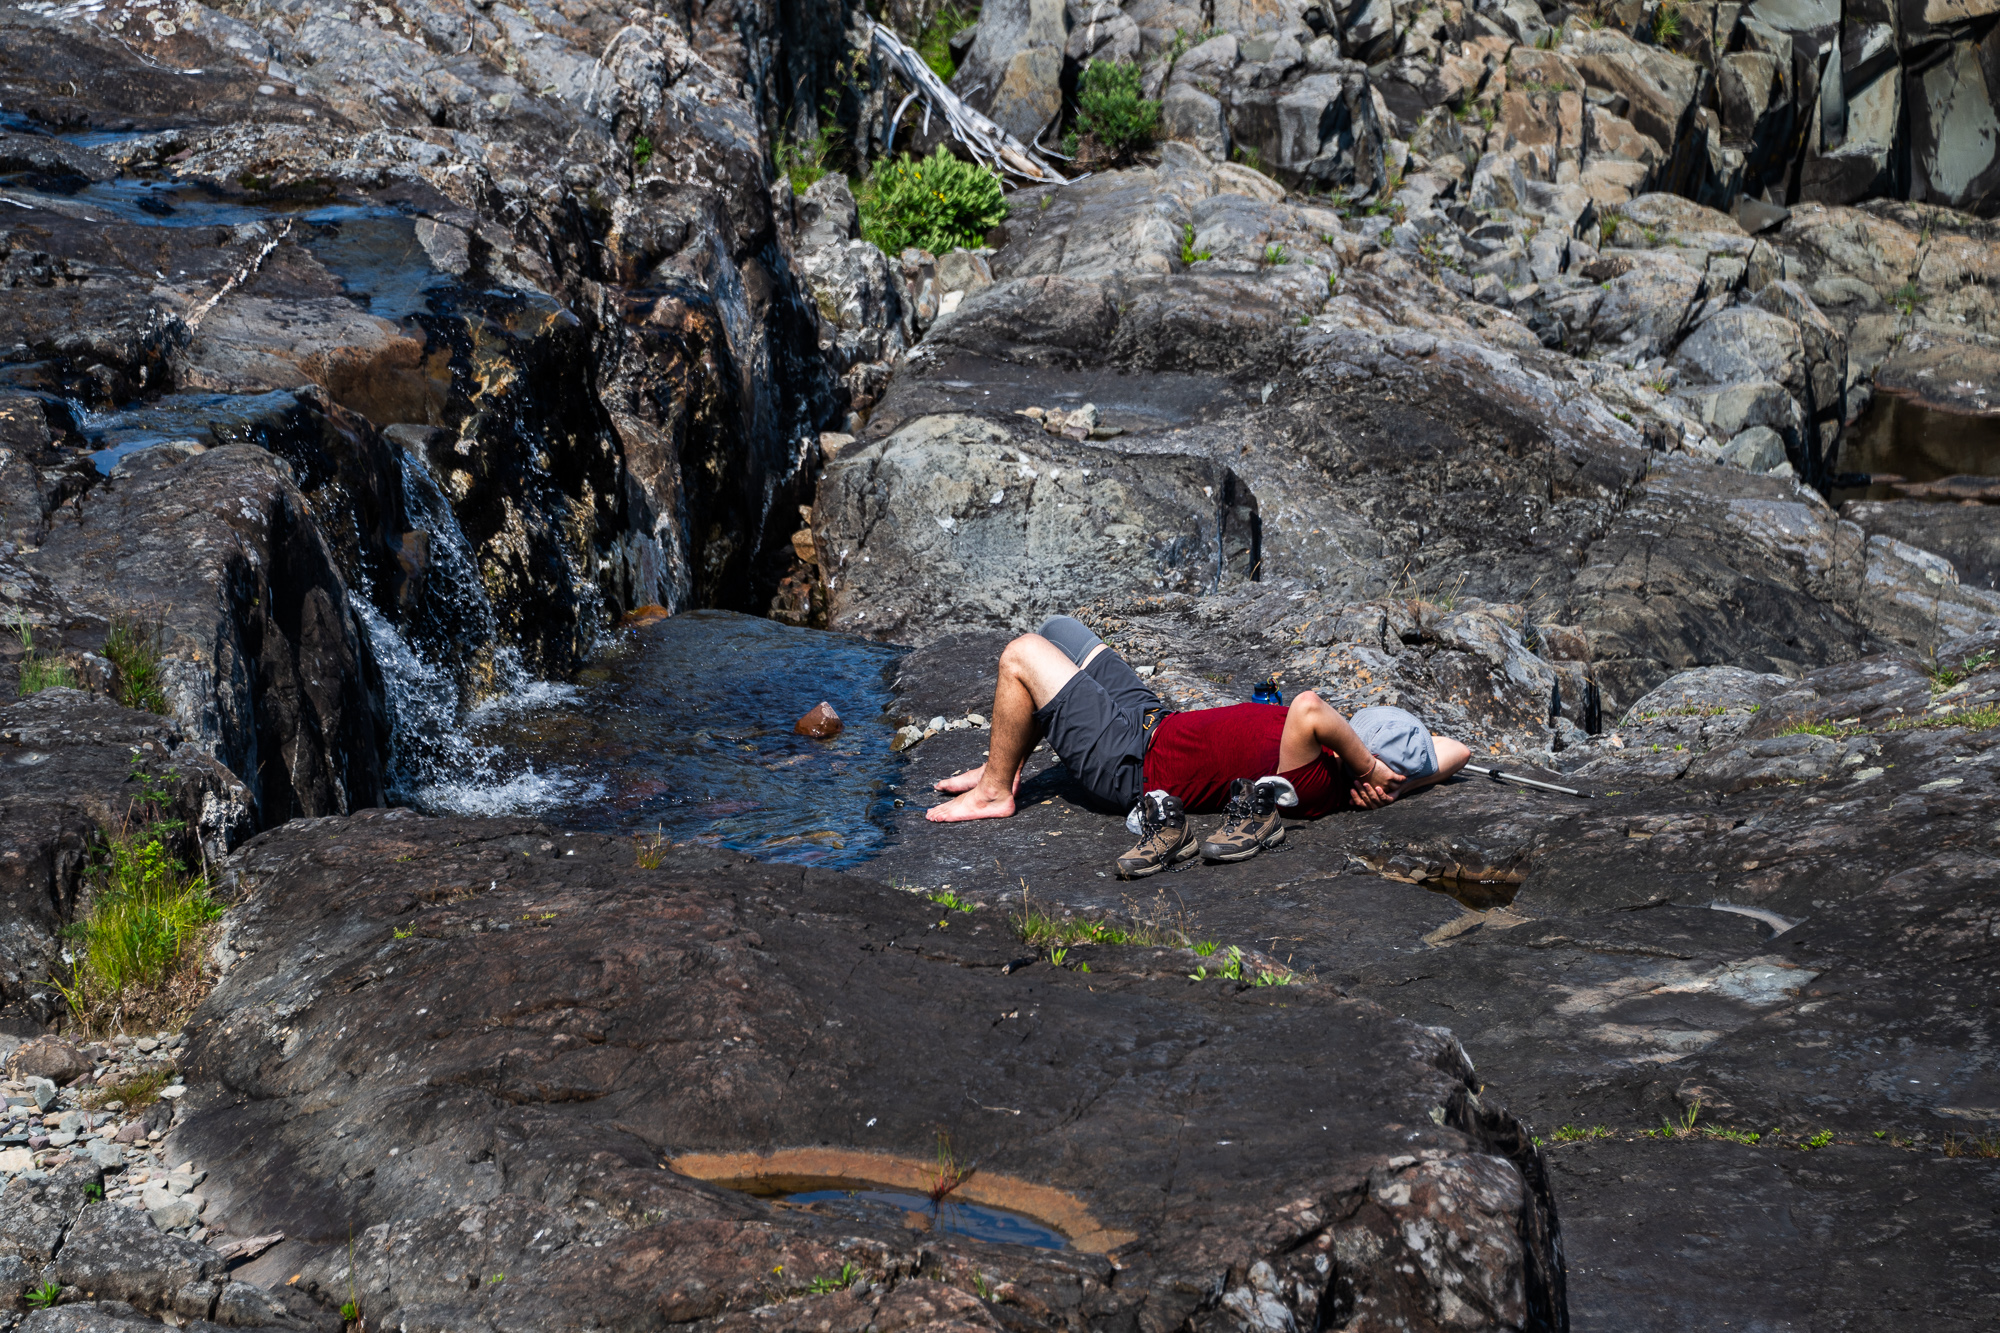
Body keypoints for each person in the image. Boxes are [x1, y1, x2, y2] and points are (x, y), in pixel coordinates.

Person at [926, 616, 1471, 876]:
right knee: (1059, 630)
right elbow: (1457, 750)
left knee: (1023, 653)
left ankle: (995, 790)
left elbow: (1309, 706)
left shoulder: (1312, 778)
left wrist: (1368, 768)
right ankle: (1005, 759)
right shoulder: (1340, 757)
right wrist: (1398, 785)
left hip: (1130, 764)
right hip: (1153, 719)